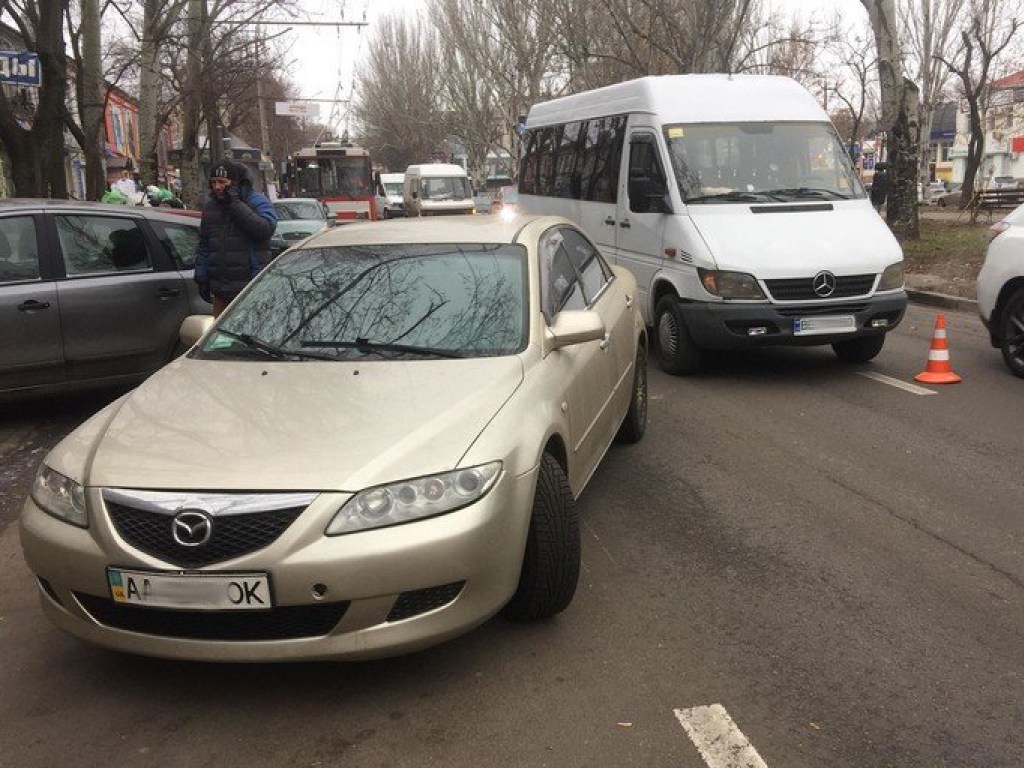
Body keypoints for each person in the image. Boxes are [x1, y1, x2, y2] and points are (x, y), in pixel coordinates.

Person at [193, 159, 278, 317]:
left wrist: (235, 205)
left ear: (235, 182)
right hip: (221, 291)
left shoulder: (257, 201)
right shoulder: (211, 207)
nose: (217, 187)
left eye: (222, 182)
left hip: (250, 289)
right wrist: (201, 275)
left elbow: (265, 230)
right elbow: (205, 244)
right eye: (213, 182)